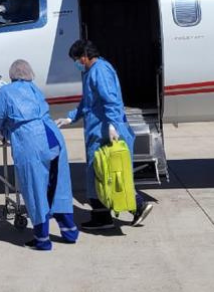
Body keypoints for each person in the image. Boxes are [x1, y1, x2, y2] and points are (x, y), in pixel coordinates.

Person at [56, 39, 154, 230]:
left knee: (110, 175)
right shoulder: (90, 72)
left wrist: (112, 125)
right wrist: (70, 118)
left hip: (107, 134)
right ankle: (104, 217)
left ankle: (134, 206)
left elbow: (111, 100)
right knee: (101, 176)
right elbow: (87, 103)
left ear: (84, 56)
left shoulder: (100, 70)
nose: (76, 63)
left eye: (76, 59)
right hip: (98, 133)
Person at [0, 60, 79, 251]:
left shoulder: (5, 92)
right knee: (58, 186)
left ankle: (42, 239)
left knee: (35, 188)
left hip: (30, 141)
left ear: (12, 74)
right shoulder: (35, 89)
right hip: (53, 136)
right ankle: (70, 231)